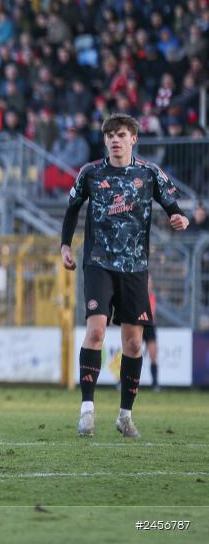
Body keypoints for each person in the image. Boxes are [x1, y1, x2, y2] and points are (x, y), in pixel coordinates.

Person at [61, 113, 188, 440]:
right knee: (97, 331)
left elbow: (171, 203)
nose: (116, 140)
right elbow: (72, 208)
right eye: (110, 135)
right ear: (105, 140)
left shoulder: (148, 173)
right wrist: (65, 246)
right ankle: (87, 411)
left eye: (122, 135)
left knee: (133, 342)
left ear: (133, 139)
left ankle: (125, 415)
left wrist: (178, 217)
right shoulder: (90, 172)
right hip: (98, 263)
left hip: (134, 268)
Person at [143, 274, 160, 391]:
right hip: (138, 325)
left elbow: (152, 313)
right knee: (130, 352)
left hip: (149, 326)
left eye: (149, 281)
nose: (148, 283)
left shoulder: (152, 297)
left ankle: (155, 383)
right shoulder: (137, 296)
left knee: (153, 354)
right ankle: (122, 381)